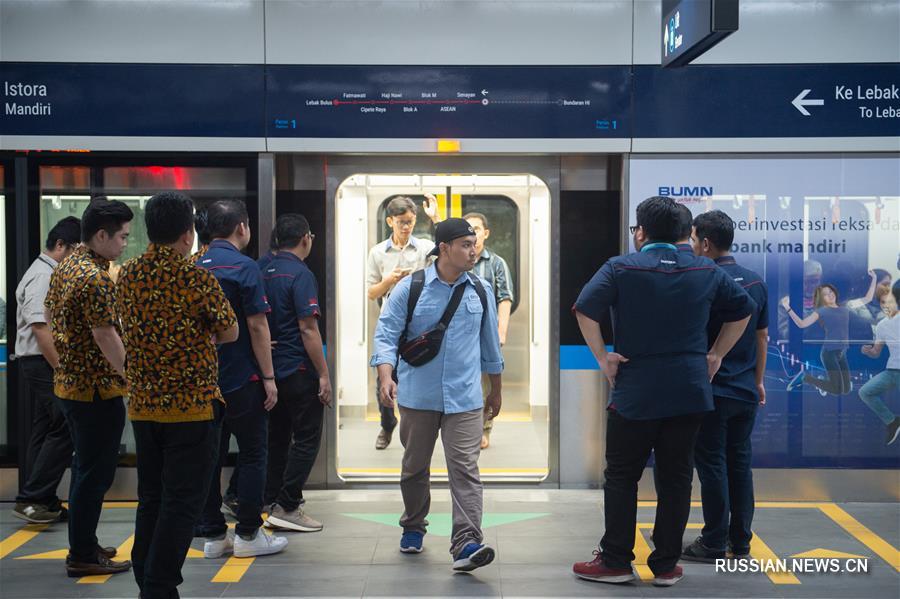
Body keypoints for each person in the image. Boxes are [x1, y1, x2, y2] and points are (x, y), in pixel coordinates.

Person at [571, 196, 753, 587]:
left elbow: (585, 309)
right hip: (689, 391)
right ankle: (666, 565)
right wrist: (715, 354)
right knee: (677, 478)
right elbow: (743, 310)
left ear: (640, 232)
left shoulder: (620, 267)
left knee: (622, 475)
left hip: (635, 391)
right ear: (688, 234)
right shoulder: (705, 269)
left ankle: (616, 561)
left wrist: (604, 357)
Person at [116, 192, 239, 599]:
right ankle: (160, 586)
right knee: (182, 503)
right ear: (188, 234)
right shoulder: (196, 277)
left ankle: (146, 577)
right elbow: (229, 330)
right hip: (191, 409)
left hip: (144, 407)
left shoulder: (127, 274)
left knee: (151, 497)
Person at [371, 217, 504, 571]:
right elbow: (385, 335)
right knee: (415, 468)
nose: (473, 250)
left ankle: (467, 543)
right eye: (464, 244)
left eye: (474, 243)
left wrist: (496, 390)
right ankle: (413, 526)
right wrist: (386, 375)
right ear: (443, 248)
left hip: (465, 398)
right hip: (418, 397)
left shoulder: (480, 290)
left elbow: (490, 345)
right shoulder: (410, 288)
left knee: (465, 470)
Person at [44, 198, 134, 577]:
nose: (125, 244)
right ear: (101, 235)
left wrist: (69, 351)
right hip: (96, 391)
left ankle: (85, 541)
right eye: (123, 237)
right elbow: (105, 334)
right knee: (94, 474)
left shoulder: (66, 268)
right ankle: (82, 552)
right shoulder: (96, 277)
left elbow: (48, 313)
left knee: (85, 468)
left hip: (70, 386)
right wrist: (133, 375)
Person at [194, 200, 288, 559]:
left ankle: (214, 536)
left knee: (208, 459)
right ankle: (248, 533)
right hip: (242, 378)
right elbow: (257, 324)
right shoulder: (245, 267)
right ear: (242, 228)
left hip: (202, 381)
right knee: (252, 454)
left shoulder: (194, 266)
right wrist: (269, 377)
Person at [682, 210, 769, 563]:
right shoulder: (755, 282)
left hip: (713, 391)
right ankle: (741, 541)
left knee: (713, 465)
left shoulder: (703, 279)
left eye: (692, 239)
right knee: (739, 464)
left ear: (705, 242)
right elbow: (762, 337)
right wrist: (759, 382)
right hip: (746, 391)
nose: (690, 246)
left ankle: (714, 540)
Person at [262, 214, 332, 532]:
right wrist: (324, 374)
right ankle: (288, 505)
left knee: (276, 439)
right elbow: (308, 329)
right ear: (305, 238)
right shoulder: (300, 274)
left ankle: (272, 500)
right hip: (298, 369)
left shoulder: (262, 269)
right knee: (306, 439)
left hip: (268, 373)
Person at [12, 216, 80, 524]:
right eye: (76, 249)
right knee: (66, 423)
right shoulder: (44, 276)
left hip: (39, 360)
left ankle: (40, 499)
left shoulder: (45, 272)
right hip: (41, 360)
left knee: (45, 429)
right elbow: (41, 328)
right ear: (61, 245)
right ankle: (34, 497)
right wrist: (61, 368)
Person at [366, 195, 438, 449]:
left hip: (420, 325)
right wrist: (389, 282)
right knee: (383, 380)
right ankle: (387, 424)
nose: (406, 227)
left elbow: (446, 253)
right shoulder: (377, 253)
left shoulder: (424, 247)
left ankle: (415, 431)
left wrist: (435, 219)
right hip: (391, 325)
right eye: (401, 222)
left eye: (410, 222)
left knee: (417, 378)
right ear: (390, 222)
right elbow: (371, 292)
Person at [783, 270, 878, 396]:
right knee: (837, 389)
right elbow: (802, 324)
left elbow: (868, 298)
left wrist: (874, 278)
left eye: (831, 292)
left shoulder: (847, 307)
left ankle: (821, 380)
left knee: (846, 390)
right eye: (826, 294)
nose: (830, 295)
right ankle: (806, 378)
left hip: (842, 352)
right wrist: (787, 307)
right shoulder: (822, 311)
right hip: (829, 352)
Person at [463, 212, 513, 450]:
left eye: (477, 229)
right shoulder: (456, 259)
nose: (473, 233)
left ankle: (484, 429)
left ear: (486, 233)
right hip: (461, 333)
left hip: (485, 332)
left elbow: (504, 298)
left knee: (486, 384)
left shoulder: (496, 263)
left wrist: (500, 331)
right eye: (468, 229)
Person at [859, 284, 900, 445]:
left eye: (889, 301)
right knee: (865, 392)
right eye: (882, 302)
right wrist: (867, 351)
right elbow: (877, 352)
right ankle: (892, 421)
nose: (886, 305)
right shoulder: (882, 325)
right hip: (891, 371)